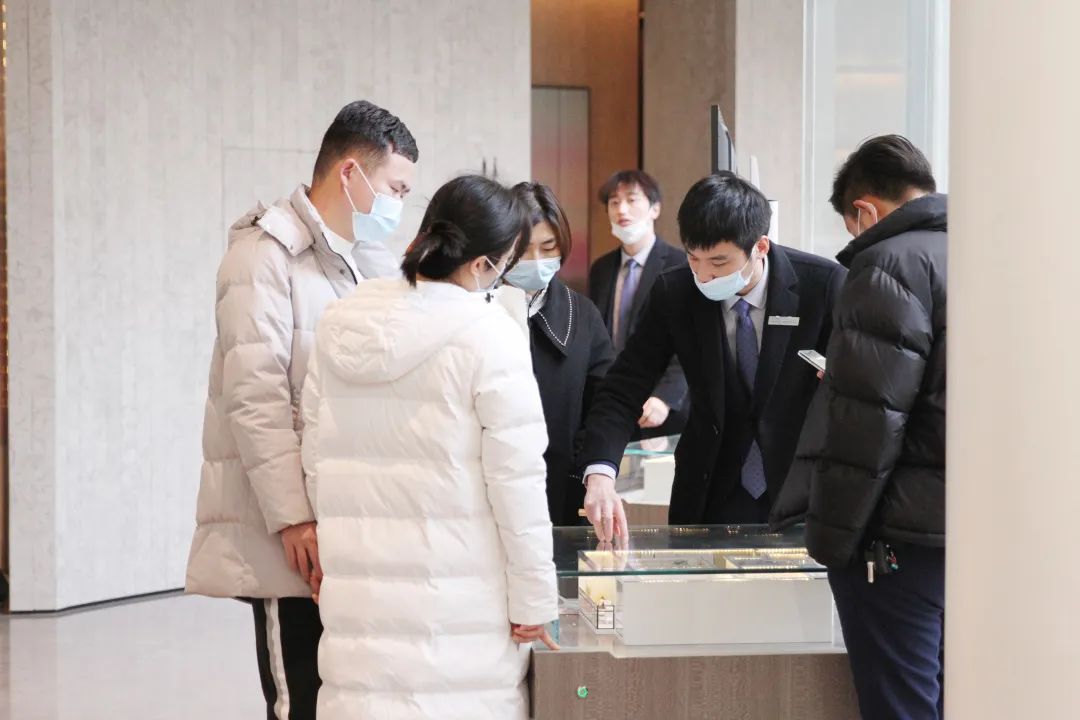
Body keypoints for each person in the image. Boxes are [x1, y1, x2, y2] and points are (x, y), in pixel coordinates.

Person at [185, 100, 418, 720]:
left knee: (342, 694)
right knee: (299, 699)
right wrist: (293, 518)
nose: (399, 203)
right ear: (350, 172)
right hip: (289, 529)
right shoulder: (263, 257)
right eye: (396, 188)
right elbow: (255, 397)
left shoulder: (362, 259)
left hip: (341, 517)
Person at [301, 175, 559, 720]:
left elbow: (315, 455)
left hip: (360, 593)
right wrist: (535, 599)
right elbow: (517, 486)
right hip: (460, 608)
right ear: (483, 264)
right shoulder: (491, 335)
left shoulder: (343, 321)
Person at [771, 135, 947, 720]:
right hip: (963, 531)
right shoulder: (978, 253)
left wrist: (832, 545)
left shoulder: (885, 264)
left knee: (901, 705)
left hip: (895, 539)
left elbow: (868, 422)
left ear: (865, 211)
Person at [579, 172, 846, 541]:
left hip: (803, 490)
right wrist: (600, 472)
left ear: (760, 247)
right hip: (709, 490)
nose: (704, 276)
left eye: (719, 263)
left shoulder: (824, 285)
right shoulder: (675, 291)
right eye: (694, 258)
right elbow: (622, 387)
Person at [502, 182, 615, 525]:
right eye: (523, 249)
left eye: (548, 247)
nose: (536, 261)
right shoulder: (477, 308)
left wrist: (598, 469)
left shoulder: (582, 315)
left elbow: (606, 403)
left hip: (562, 496)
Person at [588, 170, 689, 438]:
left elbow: (689, 343)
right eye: (614, 202)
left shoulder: (679, 266)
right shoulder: (601, 269)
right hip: (613, 405)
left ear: (655, 208)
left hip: (661, 409)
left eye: (632, 200)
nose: (622, 209)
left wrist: (665, 397)